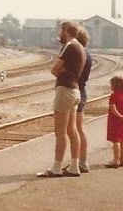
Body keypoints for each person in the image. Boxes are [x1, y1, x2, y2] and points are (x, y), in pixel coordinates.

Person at [38, 21, 86, 177]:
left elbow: (54, 69)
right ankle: (74, 166)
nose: (59, 34)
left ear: (66, 31)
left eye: (60, 30)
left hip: (65, 90)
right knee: (72, 130)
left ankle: (56, 167)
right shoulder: (80, 47)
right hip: (75, 91)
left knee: (60, 132)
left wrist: (61, 71)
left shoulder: (69, 45)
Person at [73, 28, 93, 172]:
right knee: (78, 129)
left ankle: (81, 162)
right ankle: (82, 161)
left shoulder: (81, 54)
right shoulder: (87, 53)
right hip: (82, 90)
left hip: (77, 90)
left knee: (77, 129)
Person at [105, 75, 123, 167]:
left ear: (115, 86)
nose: (110, 86)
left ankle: (116, 160)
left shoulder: (113, 96)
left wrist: (120, 116)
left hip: (115, 121)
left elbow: (113, 108)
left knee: (116, 141)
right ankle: (122, 158)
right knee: (122, 140)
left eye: (111, 84)